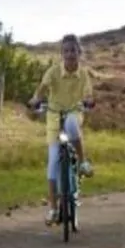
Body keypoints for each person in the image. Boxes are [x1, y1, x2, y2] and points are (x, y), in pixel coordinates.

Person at [28, 34, 95, 225]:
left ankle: (82, 162)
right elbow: (42, 89)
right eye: (66, 51)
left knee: (72, 125)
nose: (70, 54)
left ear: (79, 53)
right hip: (54, 116)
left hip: (73, 112)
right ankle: (53, 209)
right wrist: (36, 100)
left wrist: (89, 101)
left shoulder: (83, 74)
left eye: (73, 50)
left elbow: (89, 94)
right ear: (61, 54)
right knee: (53, 162)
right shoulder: (53, 72)